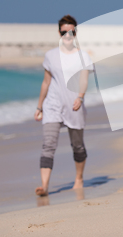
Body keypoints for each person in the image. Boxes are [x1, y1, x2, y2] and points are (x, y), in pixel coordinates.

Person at [34, 15, 93, 197]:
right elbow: (46, 82)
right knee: (48, 145)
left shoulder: (83, 56)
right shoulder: (50, 55)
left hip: (74, 105)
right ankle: (44, 186)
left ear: (75, 33)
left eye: (71, 32)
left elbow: (84, 80)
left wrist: (80, 97)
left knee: (78, 146)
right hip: (53, 105)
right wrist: (39, 106)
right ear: (59, 32)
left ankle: (79, 178)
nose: (68, 35)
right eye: (64, 32)